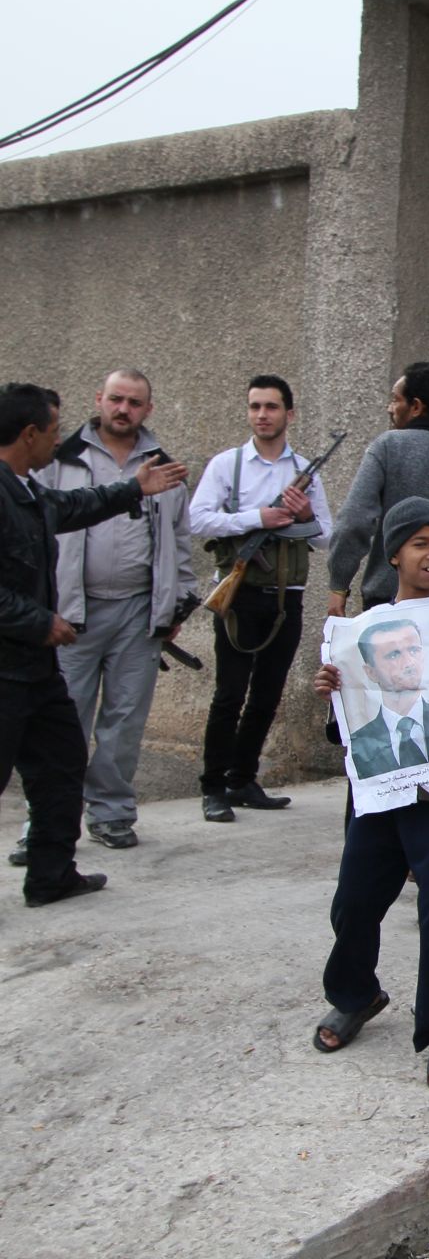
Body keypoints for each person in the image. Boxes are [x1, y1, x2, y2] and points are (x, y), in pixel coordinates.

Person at [311, 498, 429, 1089]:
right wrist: (333, 695)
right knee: (355, 898)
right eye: (420, 543)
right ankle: (357, 992)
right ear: (393, 554)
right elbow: (346, 723)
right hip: (376, 788)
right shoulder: (362, 630)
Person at [0, 383, 186, 907]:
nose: (59, 440)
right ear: (30, 434)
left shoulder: (27, 492)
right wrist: (41, 621)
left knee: (61, 765)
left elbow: (74, 505)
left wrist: (133, 488)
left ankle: (51, 874)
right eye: (55, 430)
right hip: (8, 666)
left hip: (36, 671)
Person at [189, 374, 333, 822]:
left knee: (267, 694)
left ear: (288, 414)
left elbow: (328, 537)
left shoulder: (304, 470)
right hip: (238, 595)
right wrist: (259, 518)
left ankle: (242, 777)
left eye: (271, 407)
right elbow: (199, 521)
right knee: (229, 693)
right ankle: (214, 786)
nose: (262, 415)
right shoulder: (227, 466)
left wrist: (304, 515)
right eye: (255, 406)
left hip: (284, 598)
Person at [326, 362, 429, 616]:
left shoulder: (388, 446)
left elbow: (354, 521)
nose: (389, 408)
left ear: (415, 406)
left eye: (395, 400)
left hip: (389, 599)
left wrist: (339, 586)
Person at [347, 617, 429, 776]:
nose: (409, 662)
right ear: (371, 672)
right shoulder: (361, 739)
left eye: (414, 650)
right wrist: (335, 691)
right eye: (393, 655)